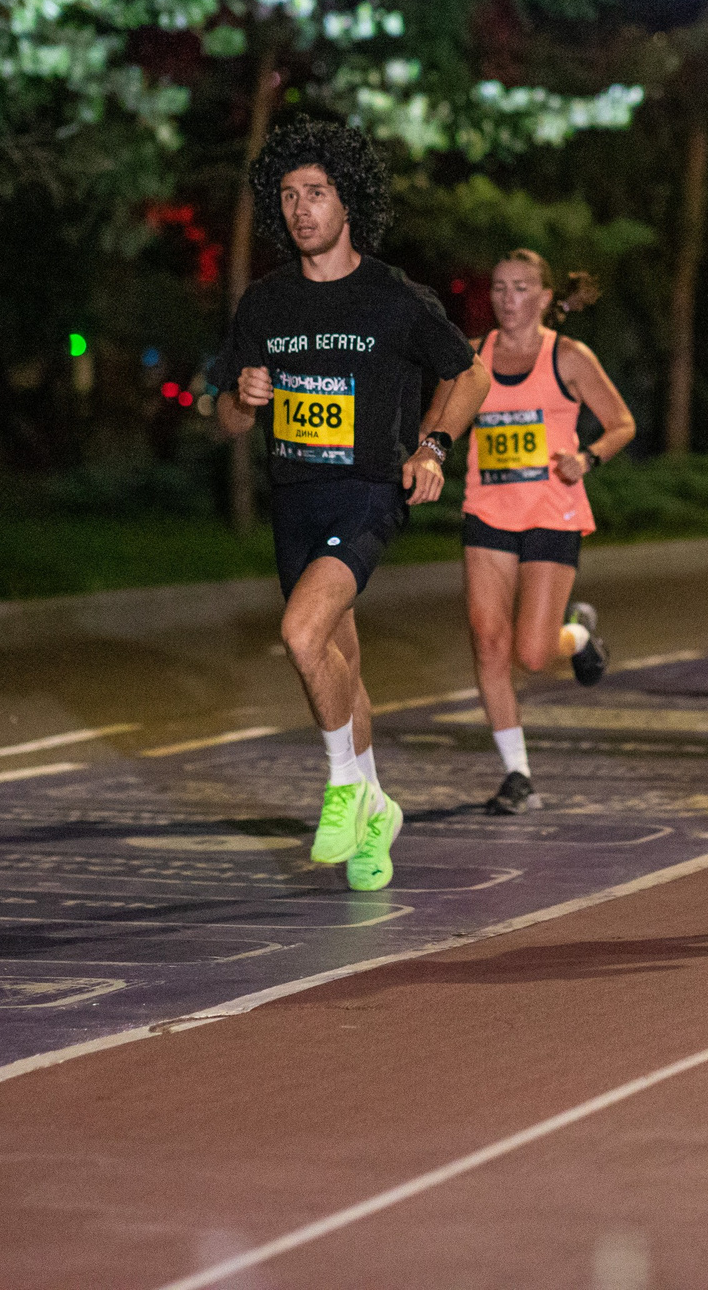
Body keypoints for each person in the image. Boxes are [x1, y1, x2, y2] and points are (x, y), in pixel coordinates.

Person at [212, 119, 490, 890]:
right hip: (294, 501)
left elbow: (468, 376)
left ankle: (342, 787)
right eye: (290, 196)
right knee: (339, 668)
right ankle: (378, 810)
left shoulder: (392, 298)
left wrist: (432, 445)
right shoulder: (265, 305)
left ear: (347, 201)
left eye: (317, 193)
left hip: (367, 496)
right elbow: (227, 420)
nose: (302, 209)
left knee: (301, 632)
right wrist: (241, 397)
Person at [463, 249, 638, 813]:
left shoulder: (569, 357)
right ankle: (517, 774)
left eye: (520, 288)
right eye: (498, 287)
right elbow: (441, 419)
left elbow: (621, 423)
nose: (507, 298)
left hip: (551, 512)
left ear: (542, 298)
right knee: (489, 643)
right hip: (487, 509)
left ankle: (579, 635)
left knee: (533, 655)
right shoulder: (472, 359)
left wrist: (586, 458)